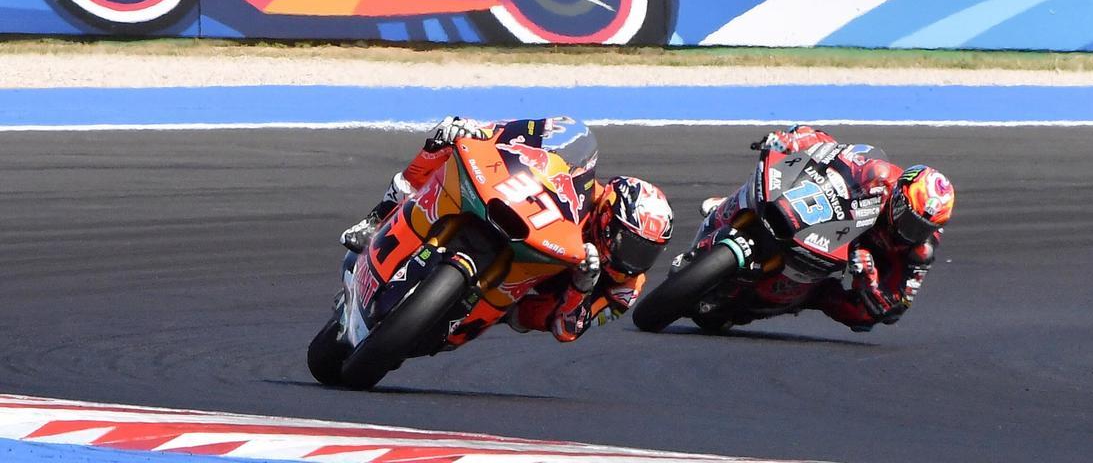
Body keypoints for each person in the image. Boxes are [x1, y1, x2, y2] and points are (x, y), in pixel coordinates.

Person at [341, 116, 675, 342]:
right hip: (524, 220)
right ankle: (377, 216)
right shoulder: (583, 182)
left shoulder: (625, 290)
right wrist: (480, 133)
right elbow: (528, 137)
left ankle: (457, 313)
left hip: (530, 295)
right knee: (445, 140)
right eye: (629, 244)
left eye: (646, 253)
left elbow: (568, 329)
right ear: (609, 217)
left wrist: (582, 285)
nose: (632, 260)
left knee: (524, 316)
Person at [704, 124, 955, 332]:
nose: (911, 231)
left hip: (859, 259)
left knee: (864, 318)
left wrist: (869, 277)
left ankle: (802, 296)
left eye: (921, 227)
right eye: (910, 220)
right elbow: (830, 148)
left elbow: (894, 308)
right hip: (834, 217)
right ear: (899, 198)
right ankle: (731, 204)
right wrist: (790, 142)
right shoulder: (879, 174)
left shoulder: (920, 250)